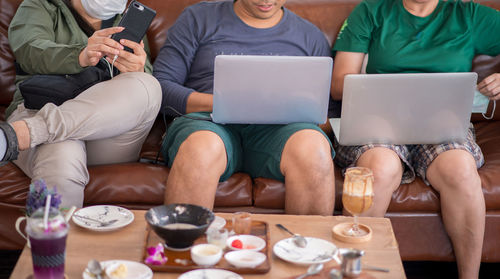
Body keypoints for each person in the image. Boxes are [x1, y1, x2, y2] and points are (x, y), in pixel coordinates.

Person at [331, 0, 499, 278]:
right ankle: (350, 273)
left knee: (460, 170)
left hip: (442, 122)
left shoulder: (467, 14)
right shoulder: (371, 11)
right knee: (380, 169)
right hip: (379, 120)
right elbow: (339, 85)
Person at [153, 0, 335, 215]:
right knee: (202, 147)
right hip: (208, 123)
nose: (267, 1)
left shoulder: (309, 36)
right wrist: (227, 104)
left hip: (279, 132)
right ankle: (182, 246)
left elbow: (327, 113)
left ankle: (305, 248)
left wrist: (290, 109)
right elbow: (160, 88)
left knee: (314, 148)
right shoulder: (198, 18)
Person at [0, 0, 162, 207]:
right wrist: (81, 55)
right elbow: (29, 50)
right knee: (61, 152)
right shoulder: (41, 5)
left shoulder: (127, 21)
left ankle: (17, 135)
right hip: (39, 108)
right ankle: (51, 239)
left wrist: (137, 69)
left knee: (147, 85)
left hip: (106, 135)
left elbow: (140, 88)